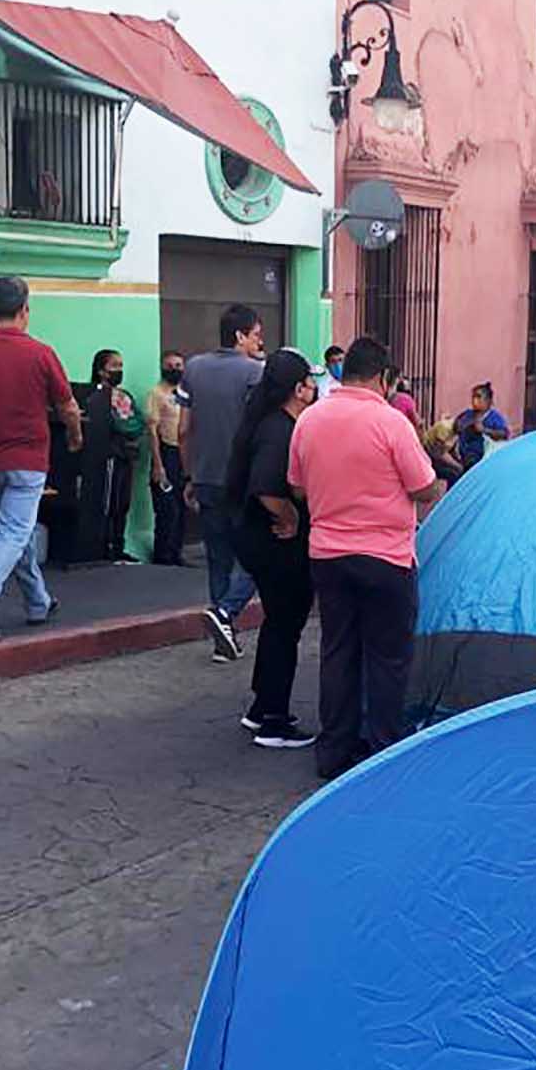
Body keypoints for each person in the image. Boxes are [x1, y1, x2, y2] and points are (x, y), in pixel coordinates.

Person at [289, 337, 441, 779]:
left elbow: (297, 486)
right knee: (387, 657)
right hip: (385, 558)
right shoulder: (391, 422)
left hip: (328, 556)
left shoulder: (310, 419)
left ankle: (333, 751)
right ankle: (382, 754)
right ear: (382, 377)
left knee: (338, 652)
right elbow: (423, 486)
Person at [0, 276, 83, 643]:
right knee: (12, 534)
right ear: (25, 309)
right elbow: (67, 405)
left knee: (14, 532)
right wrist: (74, 436)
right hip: (28, 461)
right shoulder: (41, 353)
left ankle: (38, 602)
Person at [226, 349, 319, 749]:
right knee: (285, 628)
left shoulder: (266, 423)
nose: (317, 388)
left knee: (277, 624)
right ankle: (275, 722)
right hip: (276, 546)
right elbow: (267, 488)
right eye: (311, 382)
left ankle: (262, 706)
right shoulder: (280, 430)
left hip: (258, 541)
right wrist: (293, 518)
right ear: (298, 389)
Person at [180, 304, 265, 662]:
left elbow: (183, 429)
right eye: (257, 335)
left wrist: (189, 474)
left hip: (206, 478)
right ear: (240, 336)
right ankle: (227, 612)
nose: (260, 343)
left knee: (218, 557)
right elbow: (260, 430)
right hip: (243, 481)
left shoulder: (193, 369)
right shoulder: (255, 373)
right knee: (257, 556)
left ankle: (222, 634)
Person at [92, 349, 145, 562]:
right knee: (109, 501)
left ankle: (119, 545)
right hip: (109, 455)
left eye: (121, 366)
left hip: (127, 454)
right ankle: (104, 546)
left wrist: (128, 425)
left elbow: (137, 421)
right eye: (114, 366)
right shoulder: (97, 397)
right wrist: (125, 425)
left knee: (124, 502)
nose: (119, 370)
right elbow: (116, 423)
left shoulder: (124, 395)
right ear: (102, 371)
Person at [147, 349, 188, 565]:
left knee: (181, 506)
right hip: (166, 451)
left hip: (184, 453)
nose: (174, 370)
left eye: (178, 366)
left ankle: (176, 553)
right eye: (170, 366)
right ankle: (162, 555)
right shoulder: (156, 393)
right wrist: (158, 465)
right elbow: (152, 430)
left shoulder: (185, 393)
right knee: (166, 507)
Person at [454, 383, 511, 469]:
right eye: (473, 397)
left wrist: (484, 430)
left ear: (488, 400)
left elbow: (504, 434)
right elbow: (457, 426)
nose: (475, 400)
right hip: (462, 458)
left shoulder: (494, 417)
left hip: (483, 460)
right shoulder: (467, 414)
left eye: (479, 397)